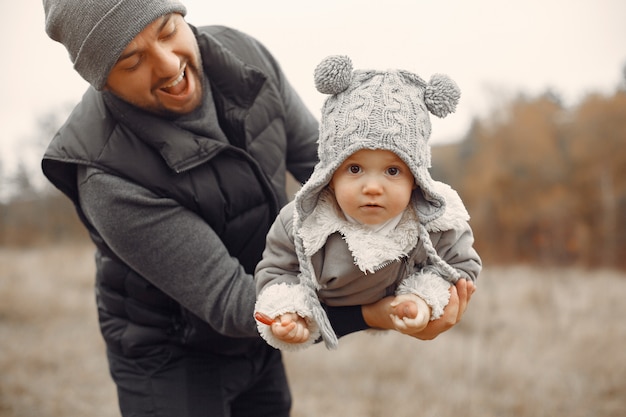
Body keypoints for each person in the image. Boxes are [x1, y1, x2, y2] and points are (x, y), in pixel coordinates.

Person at [41, 0, 475, 415]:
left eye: (168, 30)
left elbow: (326, 171)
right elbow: (230, 300)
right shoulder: (105, 175)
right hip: (172, 356)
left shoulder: (246, 60)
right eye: (131, 61)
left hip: (266, 324)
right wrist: (370, 315)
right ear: (100, 80)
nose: (170, 64)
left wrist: (422, 278)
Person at [254, 55, 482, 350]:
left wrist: (424, 299)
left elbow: (460, 265)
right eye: (354, 169)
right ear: (330, 175)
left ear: (415, 179)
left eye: (392, 171)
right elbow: (276, 269)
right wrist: (289, 312)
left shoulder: (436, 221)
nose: (373, 187)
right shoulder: (302, 221)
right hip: (325, 304)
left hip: (400, 298)